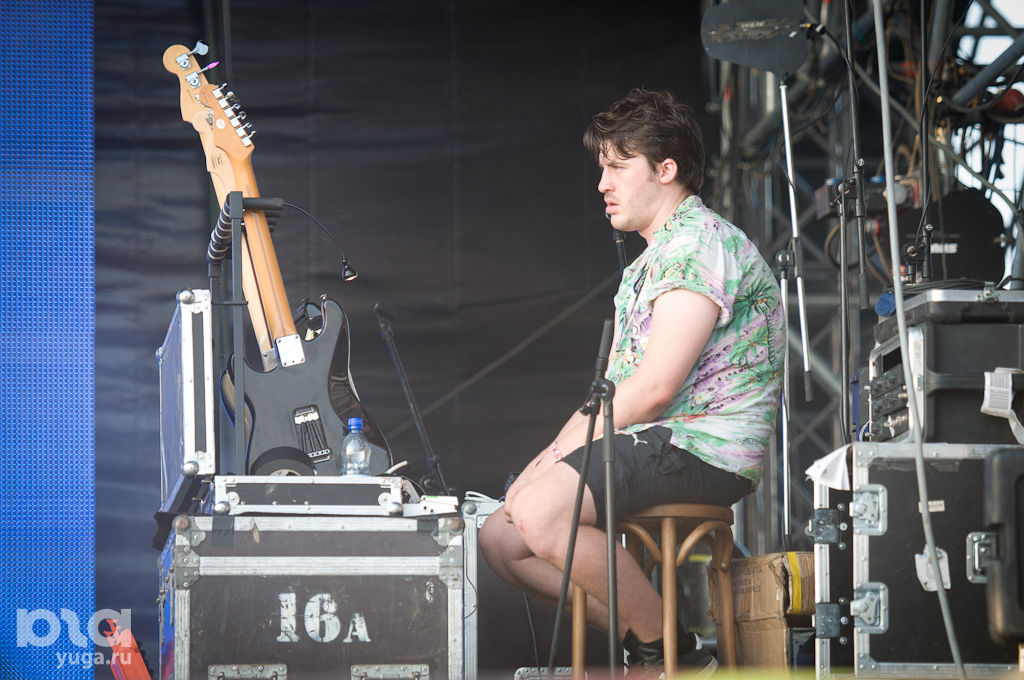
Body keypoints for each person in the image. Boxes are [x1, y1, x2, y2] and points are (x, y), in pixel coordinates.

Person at [478, 88, 785, 673]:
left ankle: (666, 651)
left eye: (618, 167)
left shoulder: (696, 245)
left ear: (666, 170)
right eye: (602, 169)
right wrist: (545, 461)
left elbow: (654, 389)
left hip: (703, 446)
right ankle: (660, 641)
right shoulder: (649, 261)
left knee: (539, 513)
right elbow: (612, 395)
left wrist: (550, 467)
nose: (603, 184)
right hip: (654, 438)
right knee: (500, 539)